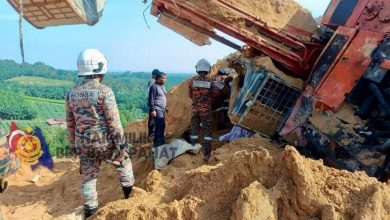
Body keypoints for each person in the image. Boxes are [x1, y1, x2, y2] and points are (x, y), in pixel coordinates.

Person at [65, 49, 135, 218]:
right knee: (124, 164)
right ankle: (130, 199)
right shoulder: (105, 92)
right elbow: (114, 122)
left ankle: (90, 212)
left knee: (88, 178)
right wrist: (121, 145)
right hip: (105, 143)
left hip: (84, 144)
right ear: (100, 68)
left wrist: (73, 143)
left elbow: (70, 122)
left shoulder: (71, 93)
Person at [188, 59, 215, 162]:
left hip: (195, 110)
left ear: (197, 69)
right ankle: (207, 155)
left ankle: (194, 151)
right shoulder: (211, 82)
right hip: (206, 111)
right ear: (208, 69)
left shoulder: (191, 81)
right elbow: (213, 95)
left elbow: (190, 95)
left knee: (194, 131)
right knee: (207, 132)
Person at [148, 72, 167, 148]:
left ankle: (161, 140)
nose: (165, 80)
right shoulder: (154, 86)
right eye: (164, 78)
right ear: (158, 79)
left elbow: (162, 97)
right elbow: (151, 99)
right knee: (159, 125)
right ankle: (157, 143)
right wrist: (153, 110)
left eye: (165, 78)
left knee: (162, 125)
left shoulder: (161, 86)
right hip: (157, 108)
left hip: (162, 109)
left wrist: (166, 107)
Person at [147, 69, 160, 141]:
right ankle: (151, 135)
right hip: (153, 105)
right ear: (154, 75)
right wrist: (152, 108)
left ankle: (153, 135)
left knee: (154, 120)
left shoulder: (156, 82)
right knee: (152, 120)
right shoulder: (152, 81)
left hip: (155, 104)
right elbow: (150, 95)